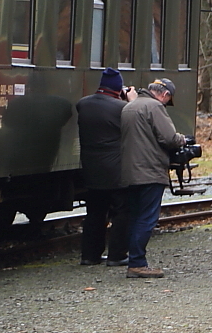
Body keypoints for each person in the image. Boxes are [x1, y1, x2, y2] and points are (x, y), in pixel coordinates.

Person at [120, 78, 186, 278]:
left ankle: (133, 259)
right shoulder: (154, 106)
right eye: (168, 99)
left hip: (130, 171)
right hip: (150, 171)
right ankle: (137, 263)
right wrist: (183, 139)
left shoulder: (129, 107)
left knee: (133, 217)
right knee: (147, 218)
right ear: (165, 95)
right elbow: (169, 138)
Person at [75, 68, 135, 266]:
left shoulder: (83, 104)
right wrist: (131, 100)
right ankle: (117, 255)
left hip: (91, 168)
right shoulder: (122, 108)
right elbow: (138, 119)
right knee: (122, 211)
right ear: (119, 88)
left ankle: (89, 256)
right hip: (116, 170)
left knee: (94, 212)